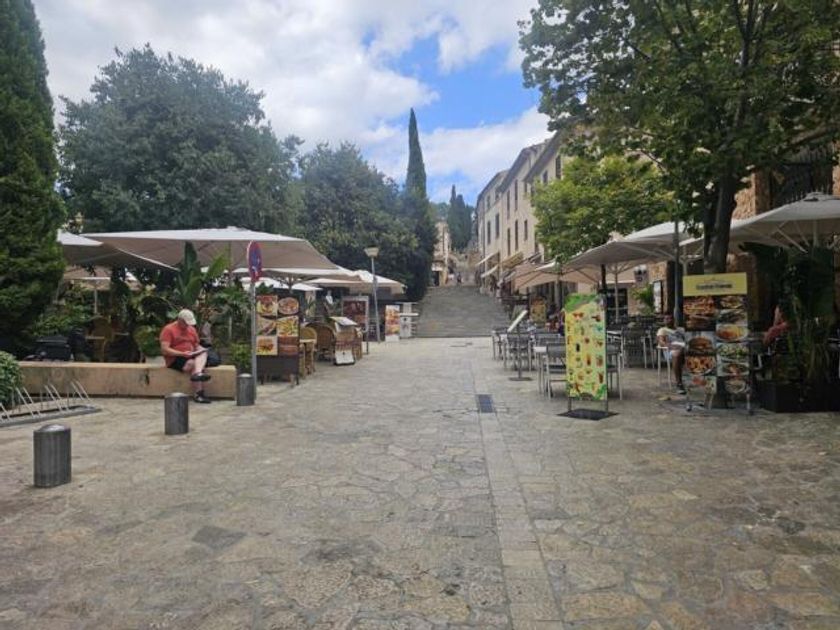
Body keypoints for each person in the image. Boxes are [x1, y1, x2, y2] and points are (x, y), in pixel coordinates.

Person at [159, 309, 212, 403]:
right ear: (180, 320)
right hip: (175, 357)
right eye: (186, 323)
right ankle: (199, 393)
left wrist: (200, 349)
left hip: (190, 354)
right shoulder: (168, 329)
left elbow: (196, 344)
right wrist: (182, 353)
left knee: (203, 353)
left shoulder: (191, 329)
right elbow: (165, 349)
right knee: (192, 363)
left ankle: (198, 373)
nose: (187, 325)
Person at [656, 314, 686, 393]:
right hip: (670, 351)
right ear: (664, 321)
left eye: (671, 318)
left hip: (684, 348)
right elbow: (661, 342)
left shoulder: (681, 329)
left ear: (674, 320)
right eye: (667, 319)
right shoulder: (662, 330)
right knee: (677, 354)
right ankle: (679, 383)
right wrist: (673, 346)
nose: (669, 320)